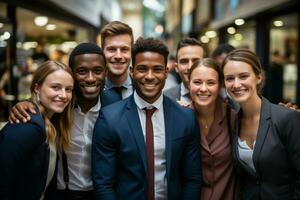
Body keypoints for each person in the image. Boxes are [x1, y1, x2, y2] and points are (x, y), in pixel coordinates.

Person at [92, 37, 202, 200]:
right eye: (142, 69)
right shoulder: (109, 119)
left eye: (157, 69)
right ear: (132, 71)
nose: (150, 76)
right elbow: (103, 183)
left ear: (166, 72)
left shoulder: (185, 118)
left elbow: (192, 179)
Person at [7, 43, 107, 200]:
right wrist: (25, 104)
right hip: (59, 194)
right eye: (82, 71)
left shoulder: (113, 107)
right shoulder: (37, 118)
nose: (90, 78)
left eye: (68, 89)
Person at [222, 49, 300, 199]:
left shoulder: (286, 118)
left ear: (258, 77)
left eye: (243, 76)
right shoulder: (233, 122)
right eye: (229, 78)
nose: (236, 84)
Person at [0, 61, 74, 199]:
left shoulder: (50, 123)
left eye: (68, 89)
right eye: (55, 87)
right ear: (37, 89)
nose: (64, 95)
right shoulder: (28, 125)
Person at [188, 58, 239, 200]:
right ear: (188, 84)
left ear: (220, 85)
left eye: (211, 83)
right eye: (197, 82)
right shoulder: (179, 118)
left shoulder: (233, 118)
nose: (203, 89)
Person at [100, 21, 134, 105]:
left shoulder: (142, 90)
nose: (118, 56)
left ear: (132, 52)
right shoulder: (92, 91)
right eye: (111, 49)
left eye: (124, 49)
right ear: (102, 51)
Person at [164, 37, 205, 105]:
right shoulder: (165, 98)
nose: (190, 67)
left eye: (196, 61)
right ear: (176, 67)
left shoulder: (217, 98)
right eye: (184, 61)